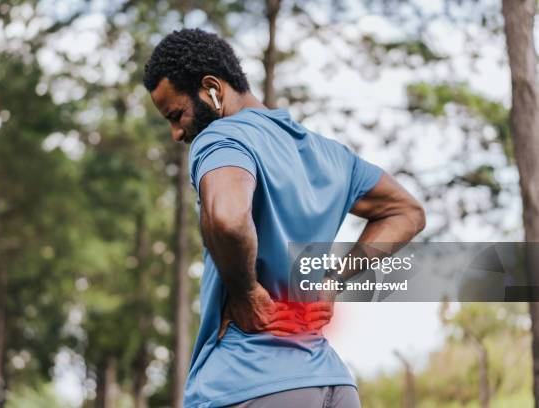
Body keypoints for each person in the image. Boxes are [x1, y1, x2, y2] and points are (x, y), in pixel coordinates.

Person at [143, 28, 425, 408]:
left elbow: (227, 218)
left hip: (248, 380)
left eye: (177, 115)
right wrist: (335, 279)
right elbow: (406, 212)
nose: (177, 133)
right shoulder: (330, 154)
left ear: (213, 89)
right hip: (333, 385)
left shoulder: (222, 138)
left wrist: (245, 291)